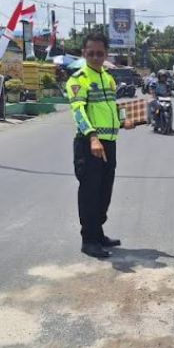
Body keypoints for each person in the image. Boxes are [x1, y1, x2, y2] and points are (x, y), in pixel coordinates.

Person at [67, 32, 135, 258]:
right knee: (90, 193)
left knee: (105, 192)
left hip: (109, 144)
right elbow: (79, 112)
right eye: (91, 53)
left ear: (106, 54)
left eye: (100, 53)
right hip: (90, 145)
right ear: (83, 53)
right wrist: (93, 137)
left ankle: (98, 233)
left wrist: (124, 119)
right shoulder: (78, 79)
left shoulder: (108, 77)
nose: (95, 57)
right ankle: (89, 240)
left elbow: (111, 106)